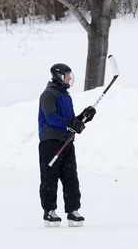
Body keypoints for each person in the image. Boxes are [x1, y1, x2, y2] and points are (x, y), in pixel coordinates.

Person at [37, 62, 96, 227]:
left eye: (70, 74)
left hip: (67, 142)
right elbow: (51, 118)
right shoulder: (48, 95)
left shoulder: (66, 96)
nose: (70, 77)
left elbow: (70, 122)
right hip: (50, 142)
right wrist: (71, 123)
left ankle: (73, 210)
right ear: (58, 76)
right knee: (50, 178)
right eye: (67, 75)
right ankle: (49, 211)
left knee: (71, 178)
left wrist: (83, 117)